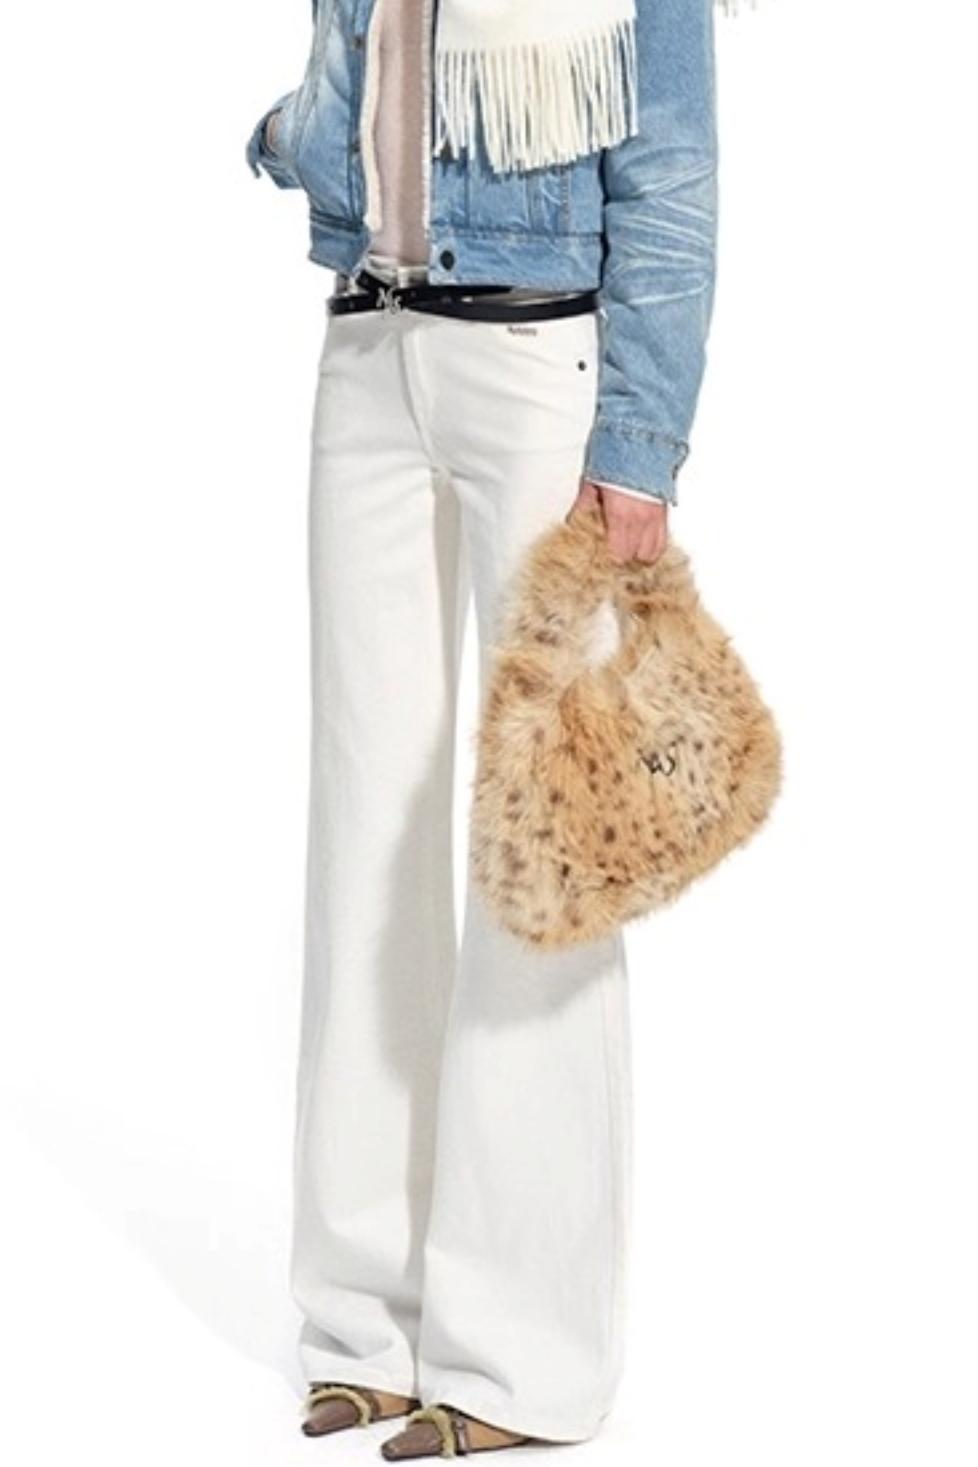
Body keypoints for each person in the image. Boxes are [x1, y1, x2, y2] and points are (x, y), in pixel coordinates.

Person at [245, 0, 721, 1457]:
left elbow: (672, 177)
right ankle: (365, 1326)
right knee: (365, 832)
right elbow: (360, 92)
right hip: (366, 354)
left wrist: (639, 451)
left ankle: (520, 1363)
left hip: (538, 378)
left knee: (543, 857)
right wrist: (295, 134)